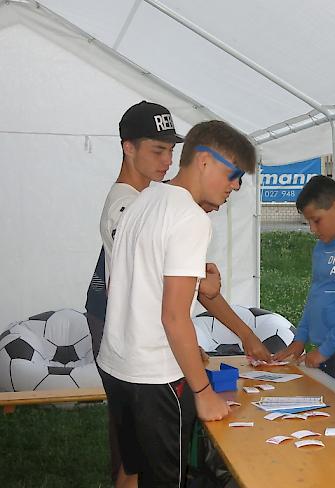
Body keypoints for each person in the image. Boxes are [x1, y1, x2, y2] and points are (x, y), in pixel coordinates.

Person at [85, 102, 269, 487]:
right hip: (158, 376)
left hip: (120, 365)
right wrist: (202, 389)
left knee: (133, 469)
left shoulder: (146, 199)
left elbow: (138, 283)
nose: (235, 185)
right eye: (233, 174)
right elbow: (173, 315)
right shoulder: (189, 218)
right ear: (204, 160)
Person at [273, 176, 335, 384]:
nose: (312, 229)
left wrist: (325, 350)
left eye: (316, 220)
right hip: (325, 352)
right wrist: (300, 339)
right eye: (308, 222)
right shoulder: (322, 246)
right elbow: (316, 293)